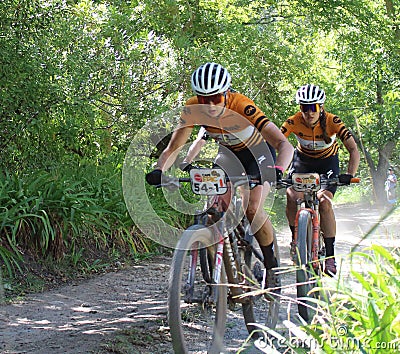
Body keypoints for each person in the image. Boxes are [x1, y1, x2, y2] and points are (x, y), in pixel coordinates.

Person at [145, 62, 294, 291]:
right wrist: (159, 170)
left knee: (252, 209)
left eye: (216, 97)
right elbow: (174, 146)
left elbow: (284, 144)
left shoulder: (243, 106)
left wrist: (278, 170)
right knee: (214, 208)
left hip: (258, 155)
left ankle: (272, 266)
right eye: (204, 99)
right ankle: (224, 270)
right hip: (228, 155)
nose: (210, 105)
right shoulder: (192, 108)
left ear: (226, 93)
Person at [281, 84, 360, 276]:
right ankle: (295, 240)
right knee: (291, 195)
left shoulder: (333, 121)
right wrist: (273, 169)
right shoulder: (293, 121)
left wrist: (349, 174)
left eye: (313, 107)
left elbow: (353, 149)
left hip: (328, 164)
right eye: (304, 108)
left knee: (324, 202)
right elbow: (274, 141)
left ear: (321, 107)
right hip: (303, 163)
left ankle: (330, 257)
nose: (309, 113)